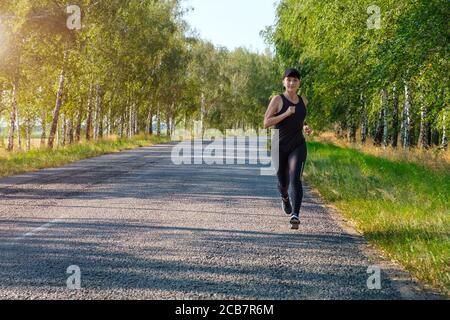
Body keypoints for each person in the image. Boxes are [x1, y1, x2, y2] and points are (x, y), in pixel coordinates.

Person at [263, 68, 313, 229]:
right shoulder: (277, 100)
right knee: (283, 182)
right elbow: (266, 122)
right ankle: (285, 197)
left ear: (299, 83)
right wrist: (285, 114)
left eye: (295, 80)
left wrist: (306, 127)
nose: (291, 83)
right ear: (284, 82)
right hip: (280, 145)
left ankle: (295, 215)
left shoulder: (303, 100)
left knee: (295, 178)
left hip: (298, 144)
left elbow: (301, 118)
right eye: (288, 79)